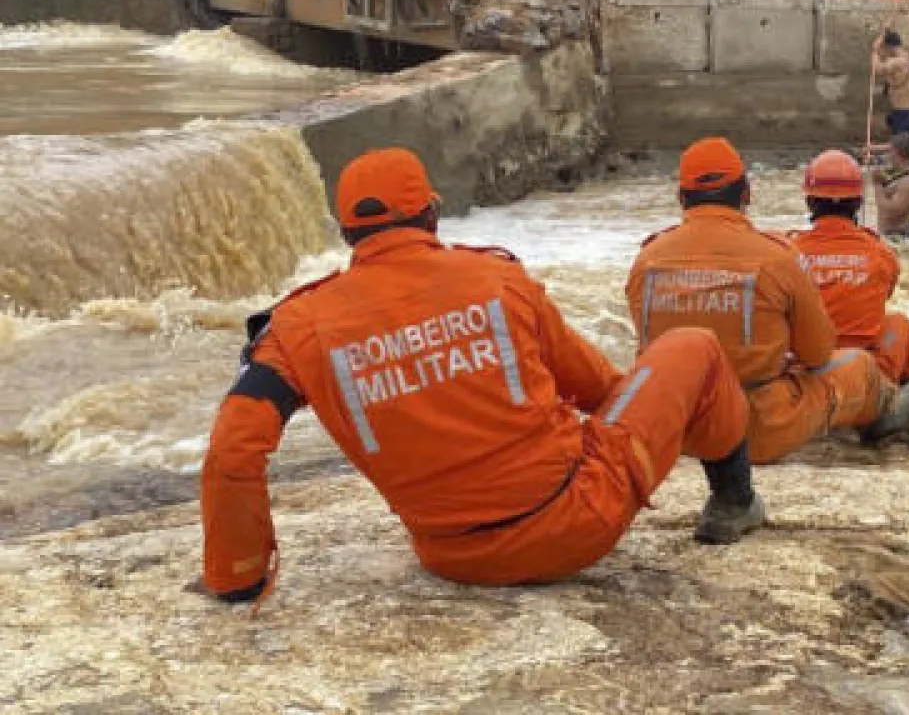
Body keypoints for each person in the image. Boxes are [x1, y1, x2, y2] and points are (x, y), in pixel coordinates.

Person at [198, 147, 765, 604]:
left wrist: (237, 576)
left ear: (348, 235)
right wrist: (655, 425)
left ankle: (237, 574)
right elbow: (596, 389)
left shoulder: (297, 327)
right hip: (574, 522)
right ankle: (733, 502)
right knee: (692, 345)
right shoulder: (496, 278)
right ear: (431, 215)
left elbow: (232, 449)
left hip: (452, 557)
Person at [626, 137, 909, 465]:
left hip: (675, 426)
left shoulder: (646, 259)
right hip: (755, 429)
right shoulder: (778, 256)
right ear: (746, 194)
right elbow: (817, 353)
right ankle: (883, 415)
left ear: (680, 198)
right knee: (858, 366)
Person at [789, 149, 909, 385]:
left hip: (803, 373)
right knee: (898, 323)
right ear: (858, 202)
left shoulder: (788, 251)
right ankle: (896, 393)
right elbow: (882, 296)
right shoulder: (881, 253)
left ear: (810, 202)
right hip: (861, 375)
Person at [872, 29, 909, 139]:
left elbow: (877, 69)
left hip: (903, 111)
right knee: (904, 140)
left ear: (889, 47)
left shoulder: (896, 62)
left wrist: (875, 51)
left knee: (900, 143)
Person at [874, 132, 909, 244]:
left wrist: (877, 185)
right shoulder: (902, 172)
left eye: (890, 151)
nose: (888, 155)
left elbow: (891, 211)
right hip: (891, 237)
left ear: (896, 152)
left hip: (898, 239)